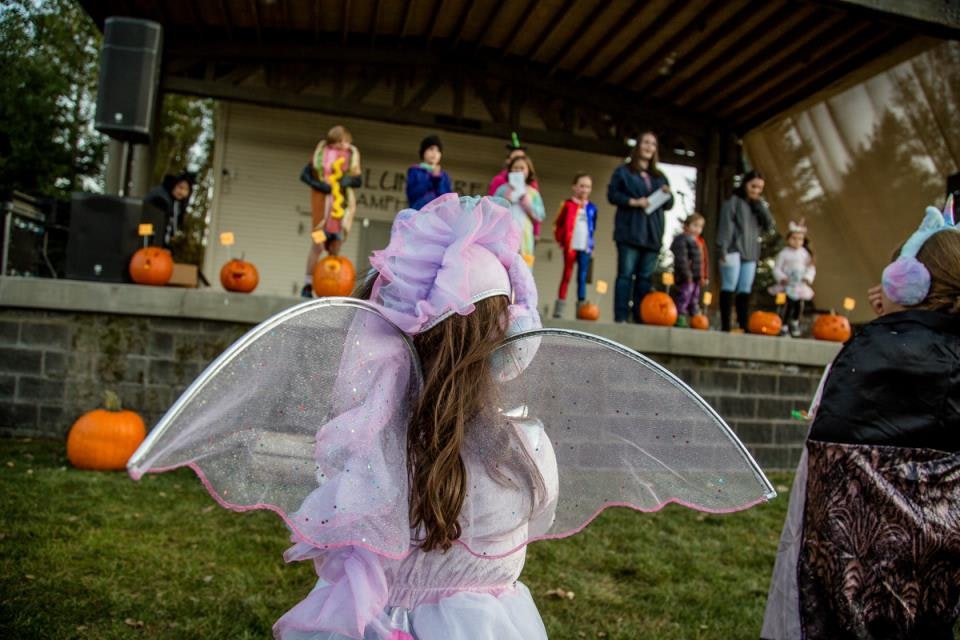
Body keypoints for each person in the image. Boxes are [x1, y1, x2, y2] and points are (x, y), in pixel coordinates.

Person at [128, 198, 778, 640]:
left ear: (393, 341)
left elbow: (345, 520)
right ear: (511, 340)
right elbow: (539, 517)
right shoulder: (524, 445)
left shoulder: (374, 445)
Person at [761, 201, 960, 640]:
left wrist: (888, 322)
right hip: (936, 584)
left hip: (849, 589)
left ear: (909, 285)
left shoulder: (863, 353)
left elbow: (819, 477)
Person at [607, 131, 674, 323]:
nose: (649, 147)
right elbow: (612, 195)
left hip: (652, 234)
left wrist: (668, 194)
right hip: (630, 231)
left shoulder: (660, 177)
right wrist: (634, 202)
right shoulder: (624, 171)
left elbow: (668, 205)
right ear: (638, 145)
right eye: (645, 142)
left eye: (653, 144)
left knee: (644, 279)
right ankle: (621, 317)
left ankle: (640, 316)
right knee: (625, 276)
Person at [300, 125, 362, 298]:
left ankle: (332, 289)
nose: (341, 145)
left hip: (339, 212)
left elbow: (358, 181)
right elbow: (305, 175)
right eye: (338, 142)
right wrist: (320, 185)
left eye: (344, 141)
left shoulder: (351, 157)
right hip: (322, 210)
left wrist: (346, 182)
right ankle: (308, 283)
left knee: (336, 247)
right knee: (317, 245)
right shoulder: (321, 154)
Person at [715, 170, 776, 331]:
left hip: (751, 252)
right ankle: (726, 325)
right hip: (733, 249)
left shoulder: (758, 206)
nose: (756, 190)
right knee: (729, 285)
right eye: (753, 186)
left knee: (745, 288)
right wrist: (723, 249)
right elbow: (726, 226)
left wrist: (759, 206)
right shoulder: (733, 202)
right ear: (745, 184)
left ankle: (743, 324)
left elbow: (769, 225)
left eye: (759, 188)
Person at [552, 173, 598, 318]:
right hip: (570, 247)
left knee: (582, 277)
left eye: (588, 187)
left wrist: (592, 246)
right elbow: (557, 225)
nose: (584, 189)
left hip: (585, 247)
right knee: (567, 275)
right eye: (581, 186)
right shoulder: (567, 205)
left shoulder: (592, 208)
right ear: (574, 187)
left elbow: (592, 228)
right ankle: (559, 309)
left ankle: (582, 310)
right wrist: (561, 241)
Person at [487, 134, 542, 240]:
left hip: (525, 231)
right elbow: (491, 204)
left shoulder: (532, 185)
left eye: (522, 159)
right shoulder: (499, 181)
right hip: (503, 230)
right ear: (509, 161)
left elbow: (537, 208)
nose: (519, 162)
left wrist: (536, 231)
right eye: (515, 159)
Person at [494, 155, 545, 266]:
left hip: (525, 238)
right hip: (504, 236)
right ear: (510, 170)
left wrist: (529, 205)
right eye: (515, 168)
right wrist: (504, 200)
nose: (518, 170)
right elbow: (492, 210)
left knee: (523, 269)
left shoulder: (533, 193)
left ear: (528, 171)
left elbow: (540, 216)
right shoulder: (502, 189)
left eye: (522, 168)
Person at [768, 220, 815, 337]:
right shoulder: (784, 254)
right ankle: (783, 325)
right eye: (794, 238)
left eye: (800, 239)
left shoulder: (805, 254)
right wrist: (782, 277)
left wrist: (807, 277)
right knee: (787, 305)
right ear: (788, 239)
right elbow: (777, 268)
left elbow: (811, 268)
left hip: (799, 285)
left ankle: (795, 321)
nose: (797, 241)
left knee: (798, 305)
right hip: (787, 284)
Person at [143, 171, 195, 249]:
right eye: (180, 187)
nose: (182, 192)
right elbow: (157, 227)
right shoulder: (161, 200)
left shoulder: (175, 202)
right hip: (148, 243)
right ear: (174, 185)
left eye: (186, 190)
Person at [670, 213, 705, 323]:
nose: (697, 229)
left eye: (700, 226)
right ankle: (679, 316)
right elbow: (682, 260)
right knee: (684, 296)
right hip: (686, 277)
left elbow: (702, 262)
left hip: (695, 277)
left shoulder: (698, 242)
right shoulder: (682, 240)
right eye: (695, 225)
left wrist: (702, 276)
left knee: (694, 298)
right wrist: (687, 274)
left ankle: (694, 319)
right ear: (686, 226)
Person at [405, 135, 452, 210]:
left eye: (438, 150)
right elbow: (413, 194)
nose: (434, 153)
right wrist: (432, 178)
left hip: (438, 216)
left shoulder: (443, 176)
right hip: (419, 212)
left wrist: (437, 179)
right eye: (431, 149)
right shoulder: (415, 171)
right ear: (423, 152)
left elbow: (447, 198)